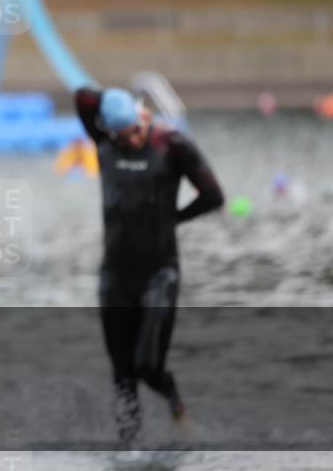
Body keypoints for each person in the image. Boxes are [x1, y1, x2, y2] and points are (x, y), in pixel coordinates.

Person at [74, 86, 223, 446]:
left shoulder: (171, 144)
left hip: (159, 275)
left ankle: (177, 407)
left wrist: (173, 218)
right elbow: (81, 97)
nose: (131, 141)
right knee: (122, 376)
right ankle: (129, 450)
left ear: (143, 119)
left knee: (148, 366)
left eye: (135, 132)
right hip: (115, 278)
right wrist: (115, 100)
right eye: (122, 136)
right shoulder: (104, 141)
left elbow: (213, 196)